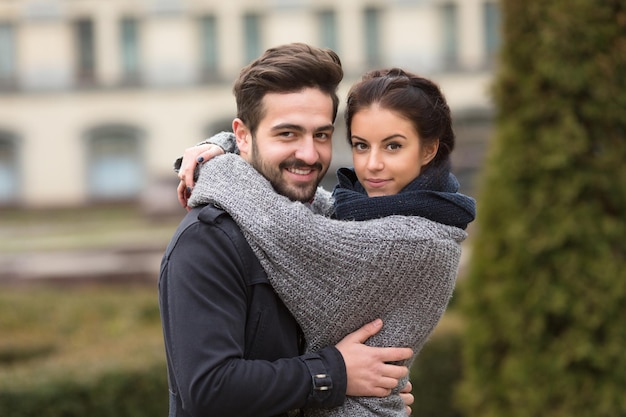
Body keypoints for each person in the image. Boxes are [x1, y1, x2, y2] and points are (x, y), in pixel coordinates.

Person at [177, 68, 476, 416]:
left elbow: (284, 225)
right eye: (361, 146)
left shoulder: (419, 240)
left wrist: (215, 166)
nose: (373, 165)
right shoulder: (373, 213)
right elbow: (309, 203)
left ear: (428, 151)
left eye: (394, 146)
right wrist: (226, 144)